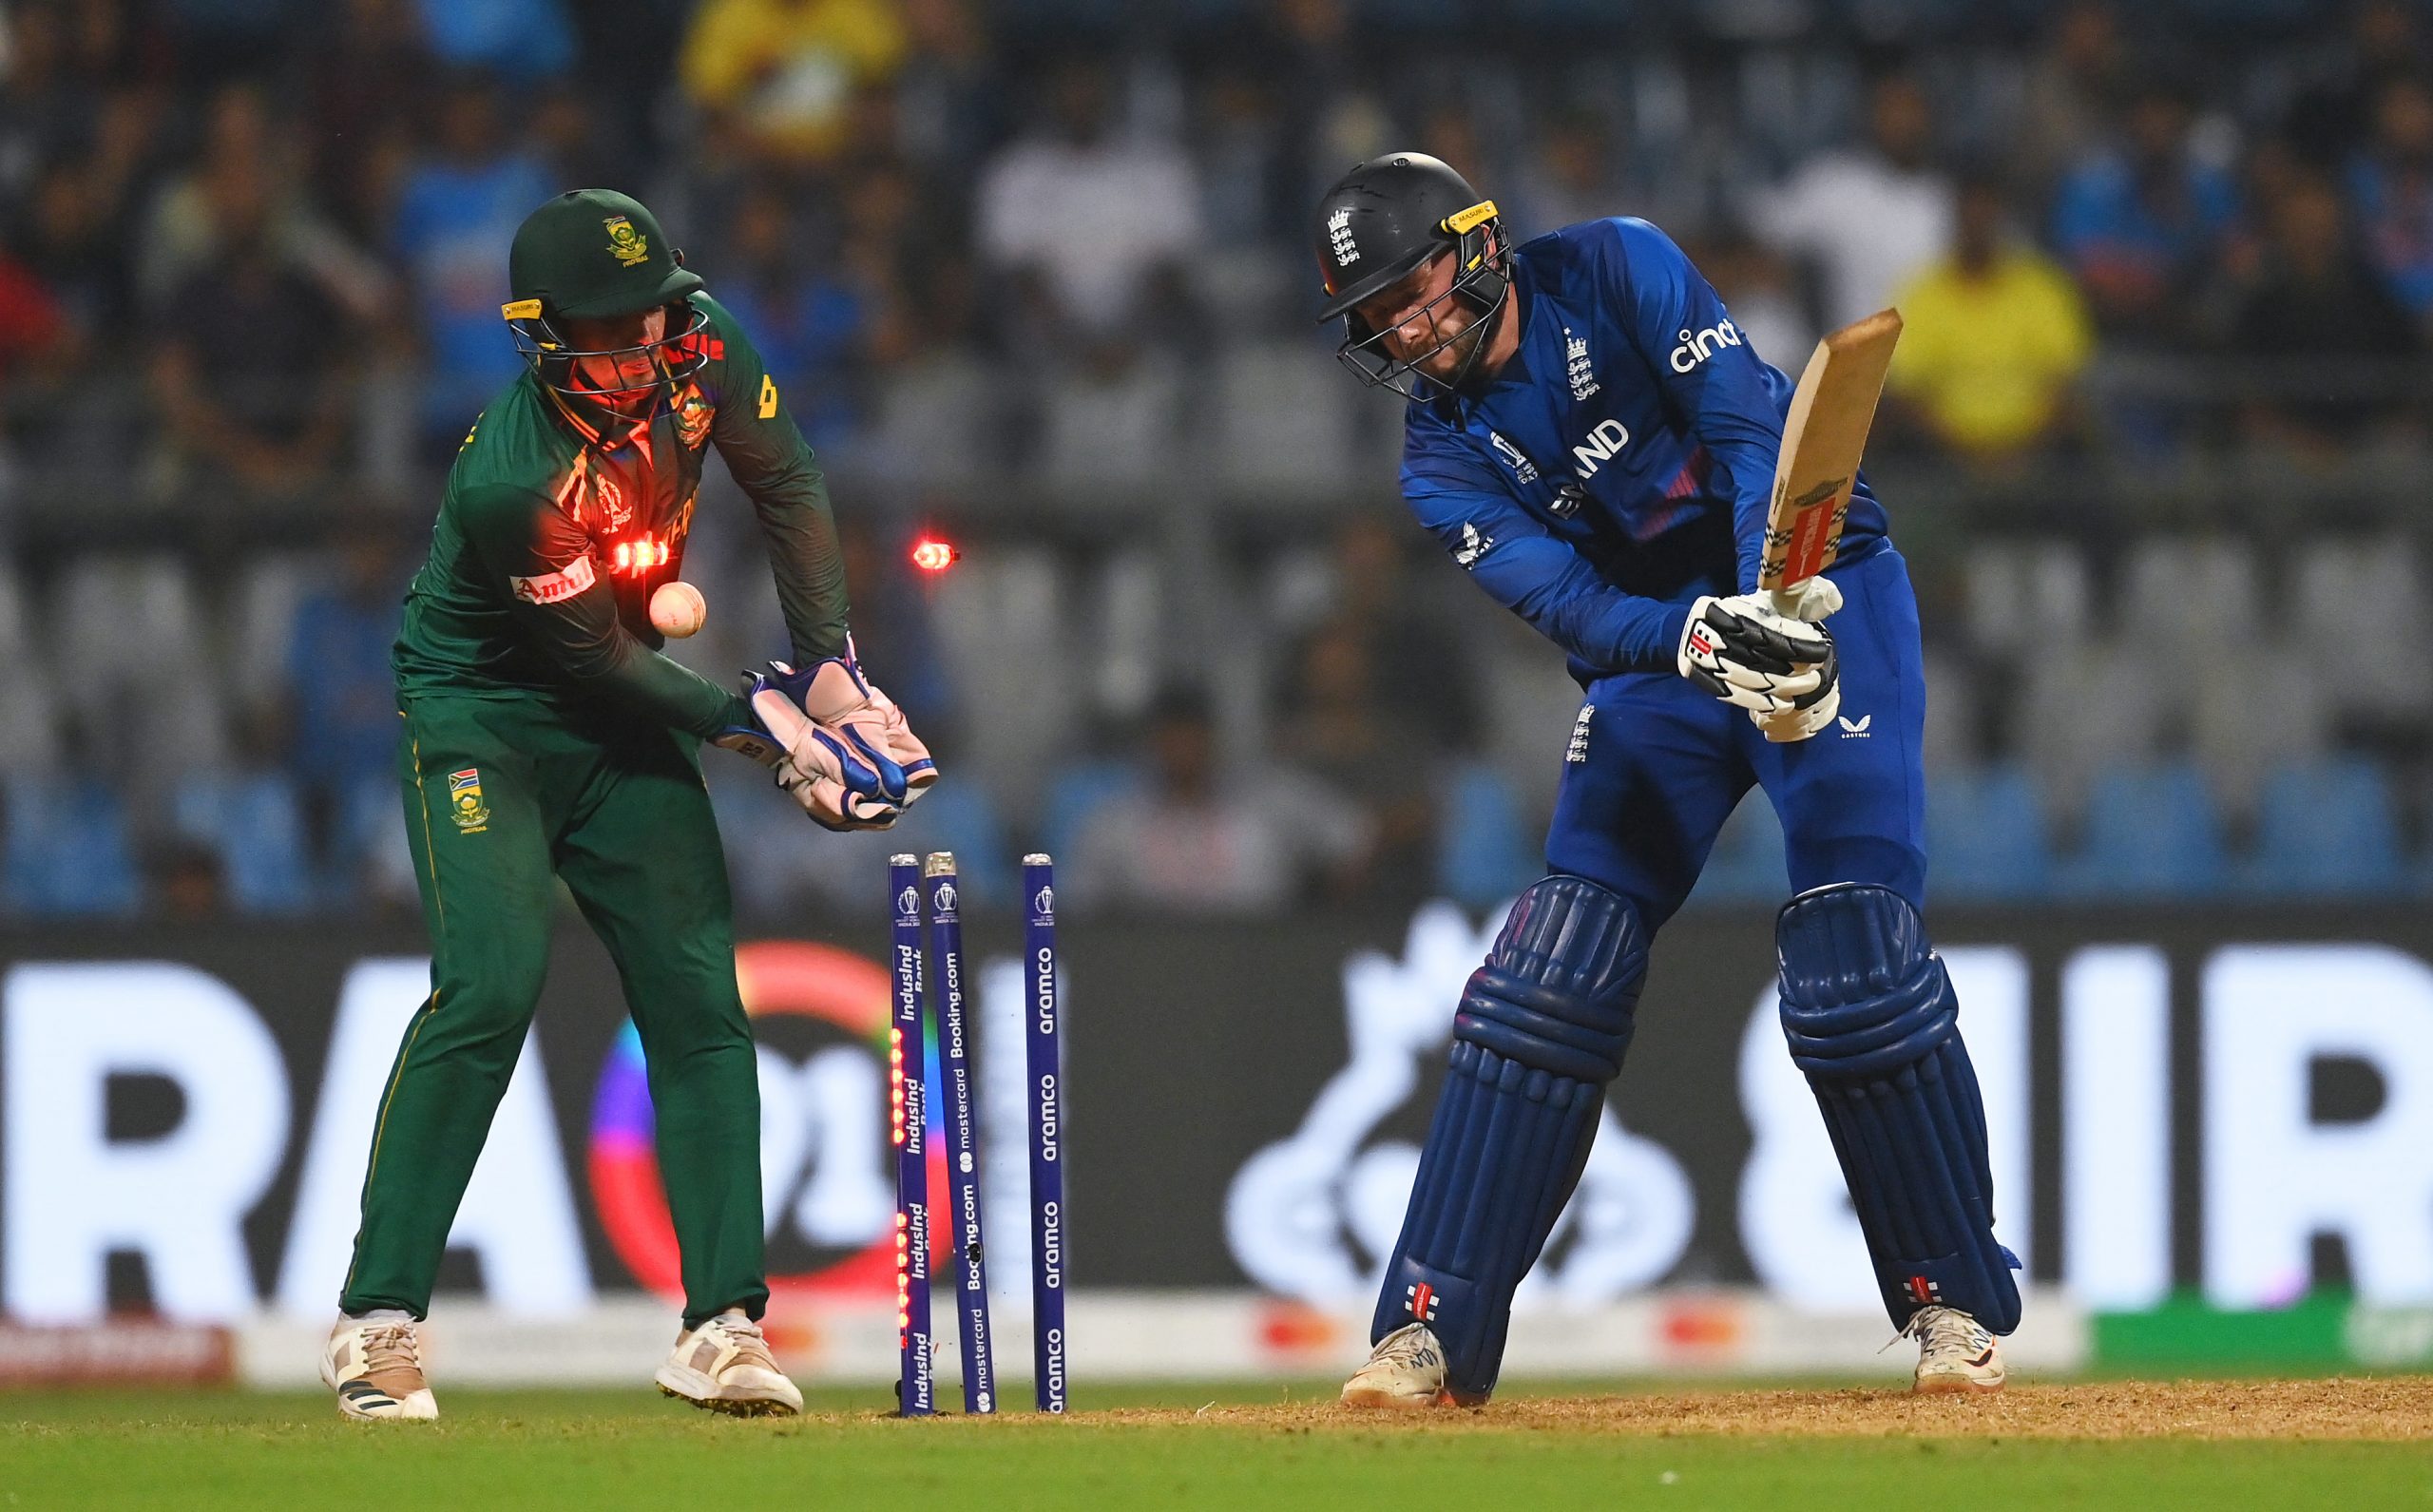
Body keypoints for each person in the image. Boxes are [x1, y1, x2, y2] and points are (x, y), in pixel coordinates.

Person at [1310, 154, 2019, 1407]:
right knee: (1550, 969)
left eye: (1412, 288)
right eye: (1378, 318)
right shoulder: (1438, 462)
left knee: (1853, 959)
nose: (1405, 328)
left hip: (1818, 591)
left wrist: (1767, 605)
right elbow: (1570, 602)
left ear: (1474, 247)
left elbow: (1756, 438)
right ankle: (1428, 1332)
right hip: (1662, 658)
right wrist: (1700, 637)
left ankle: (1953, 1306)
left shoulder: (1617, 266)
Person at [320, 189, 933, 1423]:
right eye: (601, 334)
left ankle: (722, 1328)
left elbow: (791, 482)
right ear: (541, 338)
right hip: (486, 718)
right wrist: (768, 734)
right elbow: (589, 658)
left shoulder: (699, 339)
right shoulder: (510, 473)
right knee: (490, 984)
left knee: (700, 1001)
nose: (632, 352)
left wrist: (832, 672)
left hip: (619, 715)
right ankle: (375, 1323)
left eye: (643, 321)